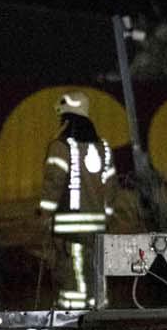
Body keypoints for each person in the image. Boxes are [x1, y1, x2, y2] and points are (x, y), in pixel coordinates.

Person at [37, 91, 116, 310]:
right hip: (98, 229)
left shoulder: (60, 147)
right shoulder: (104, 149)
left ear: (66, 117)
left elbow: (54, 182)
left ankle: (74, 321)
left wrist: (44, 213)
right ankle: (99, 320)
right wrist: (105, 218)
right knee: (95, 275)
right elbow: (110, 188)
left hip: (70, 231)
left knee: (73, 278)